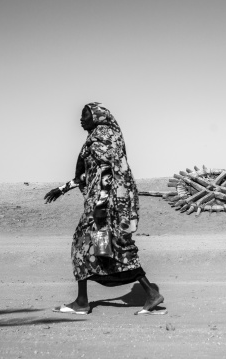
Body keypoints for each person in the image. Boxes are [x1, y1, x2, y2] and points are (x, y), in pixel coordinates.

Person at [44, 102, 164, 315]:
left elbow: (107, 171)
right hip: (103, 206)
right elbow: (90, 173)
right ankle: (147, 294)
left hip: (103, 208)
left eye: (85, 116)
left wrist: (100, 205)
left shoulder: (103, 136)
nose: (81, 120)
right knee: (109, 249)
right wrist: (62, 189)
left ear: (98, 117)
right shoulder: (99, 137)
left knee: (83, 245)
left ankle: (83, 302)